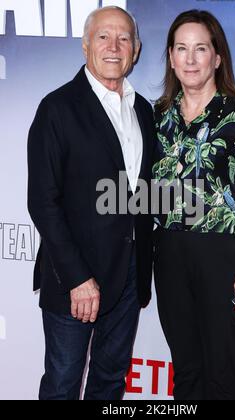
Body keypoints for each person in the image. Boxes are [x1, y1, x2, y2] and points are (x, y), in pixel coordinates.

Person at [27, 6, 154, 400]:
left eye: (124, 38)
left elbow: (143, 194)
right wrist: (78, 279)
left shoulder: (144, 110)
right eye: (103, 37)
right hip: (75, 279)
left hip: (130, 276)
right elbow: (42, 201)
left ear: (135, 49)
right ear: (85, 46)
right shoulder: (58, 108)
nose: (114, 47)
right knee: (63, 384)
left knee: (110, 381)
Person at [152, 10, 235, 400]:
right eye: (182, 49)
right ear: (171, 57)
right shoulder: (158, 118)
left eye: (201, 49)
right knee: (186, 370)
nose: (190, 60)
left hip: (226, 255)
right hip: (170, 252)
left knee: (223, 372)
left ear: (217, 57)